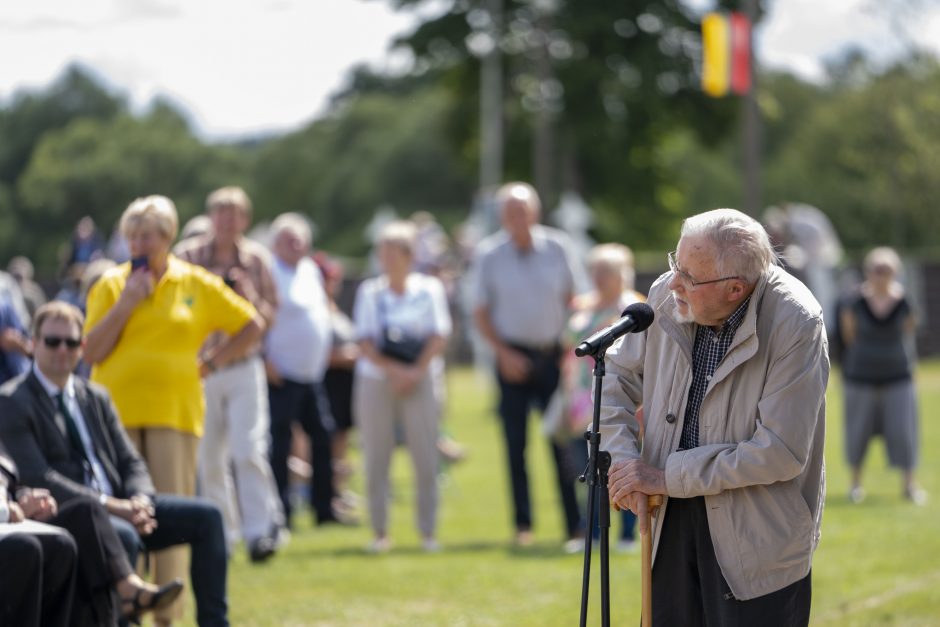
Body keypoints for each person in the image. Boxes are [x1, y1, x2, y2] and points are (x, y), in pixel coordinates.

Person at [603, 209, 828, 626]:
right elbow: (614, 376)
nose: (673, 283)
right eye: (676, 263)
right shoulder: (667, 294)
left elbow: (780, 452)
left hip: (758, 538)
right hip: (668, 519)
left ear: (735, 289)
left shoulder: (797, 320)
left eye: (689, 276)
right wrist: (623, 463)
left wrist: (667, 475)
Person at [82, 195, 261, 626]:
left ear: (168, 238)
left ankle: (168, 616)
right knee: (124, 516)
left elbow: (251, 325)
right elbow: (91, 350)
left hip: (175, 415)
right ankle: (126, 608)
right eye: (133, 236)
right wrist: (126, 303)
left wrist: (212, 362)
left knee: (171, 519)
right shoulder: (109, 285)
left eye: (148, 236)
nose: (139, 244)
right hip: (115, 417)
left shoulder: (194, 283)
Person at [0, 301, 230, 627]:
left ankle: (215, 623)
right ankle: (128, 607)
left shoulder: (95, 396)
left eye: (71, 342)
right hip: (73, 513)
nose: (62, 350)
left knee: (208, 517)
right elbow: (41, 476)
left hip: (125, 506)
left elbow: (130, 460)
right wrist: (116, 507)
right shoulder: (12, 400)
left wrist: (139, 500)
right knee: (118, 534)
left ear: (82, 347)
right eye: (52, 341)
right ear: (33, 343)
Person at [175, 186, 284, 561]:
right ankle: (224, 534)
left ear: (245, 220)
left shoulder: (257, 260)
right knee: (210, 456)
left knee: (248, 448)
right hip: (201, 369)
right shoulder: (188, 257)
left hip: (242, 366)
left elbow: (268, 315)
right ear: (210, 217)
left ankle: (260, 532)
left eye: (233, 213)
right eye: (220, 212)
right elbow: (179, 304)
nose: (226, 220)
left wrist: (247, 295)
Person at [471, 181, 582, 547]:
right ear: (502, 217)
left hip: (553, 356)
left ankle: (574, 525)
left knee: (562, 443)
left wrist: (570, 351)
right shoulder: (489, 255)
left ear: (535, 212)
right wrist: (503, 353)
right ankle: (523, 526)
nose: (516, 218)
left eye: (522, 210)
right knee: (514, 446)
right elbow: (481, 311)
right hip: (511, 359)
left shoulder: (558, 247)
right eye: (509, 212)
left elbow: (574, 300)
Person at [0, 441, 184, 626]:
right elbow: (40, 475)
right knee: (29, 548)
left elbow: (11, 483)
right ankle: (129, 594)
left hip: (16, 521)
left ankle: (123, 595)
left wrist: (26, 498)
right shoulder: (16, 412)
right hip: (6, 525)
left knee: (83, 515)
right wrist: (8, 510)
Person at [353, 220, 451, 553]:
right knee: (376, 455)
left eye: (393, 252)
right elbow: (365, 341)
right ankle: (380, 531)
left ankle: (428, 532)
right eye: (383, 252)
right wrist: (395, 371)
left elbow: (438, 335)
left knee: (425, 455)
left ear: (408, 255)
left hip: (420, 379)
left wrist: (414, 372)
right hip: (377, 380)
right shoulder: (370, 291)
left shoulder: (429, 289)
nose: (386, 259)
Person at [554, 243, 643, 554]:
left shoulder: (633, 309)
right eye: (596, 270)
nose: (599, 277)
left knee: (622, 462)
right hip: (580, 398)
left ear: (623, 273)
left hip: (620, 397)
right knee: (586, 468)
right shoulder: (582, 306)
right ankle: (589, 533)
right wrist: (566, 395)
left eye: (607, 271)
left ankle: (629, 533)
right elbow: (567, 351)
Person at [264, 213, 343, 528]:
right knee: (279, 444)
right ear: (275, 243)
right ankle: (282, 511)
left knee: (323, 438)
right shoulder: (268, 270)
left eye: (300, 240)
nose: (295, 245)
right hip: (281, 374)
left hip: (311, 374)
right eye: (288, 240)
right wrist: (264, 360)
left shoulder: (310, 269)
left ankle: (324, 507)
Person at [839, 247, 926, 505]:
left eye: (886, 270)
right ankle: (855, 485)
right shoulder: (853, 303)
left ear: (895, 273)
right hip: (860, 376)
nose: (881, 275)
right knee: (858, 432)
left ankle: (909, 486)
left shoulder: (905, 302)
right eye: (876, 269)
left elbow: (909, 332)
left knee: (903, 431)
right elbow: (849, 336)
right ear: (868, 272)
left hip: (898, 375)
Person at [315, 252, 360, 515]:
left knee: (343, 441)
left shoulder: (334, 307)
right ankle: (329, 491)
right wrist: (346, 356)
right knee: (328, 441)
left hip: (345, 383)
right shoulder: (315, 310)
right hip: (328, 382)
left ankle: (339, 490)